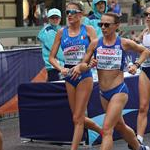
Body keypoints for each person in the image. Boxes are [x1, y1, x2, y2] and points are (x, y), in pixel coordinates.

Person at [72, 12, 150, 150]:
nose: (103, 27)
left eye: (106, 25)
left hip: (119, 91)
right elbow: (83, 65)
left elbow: (145, 51)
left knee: (107, 129)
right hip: (103, 93)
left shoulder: (124, 43)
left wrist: (136, 65)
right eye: (100, 24)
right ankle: (138, 147)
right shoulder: (95, 44)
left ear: (116, 26)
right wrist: (87, 65)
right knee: (120, 126)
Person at [49, 2, 102, 150]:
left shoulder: (89, 30)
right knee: (77, 118)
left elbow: (96, 51)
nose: (70, 15)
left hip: (84, 75)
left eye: (73, 12)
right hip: (69, 76)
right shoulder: (61, 32)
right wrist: (61, 68)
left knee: (77, 119)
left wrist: (92, 60)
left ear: (81, 14)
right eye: (67, 12)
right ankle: (103, 131)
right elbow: (52, 57)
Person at [132, 6, 150, 145]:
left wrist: (136, 63)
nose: (148, 16)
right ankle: (139, 140)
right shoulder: (145, 31)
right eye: (146, 14)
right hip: (145, 70)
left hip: (141, 65)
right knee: (143, 106)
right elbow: (138, 44)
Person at [38, 8, 64, 81]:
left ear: (60, 18)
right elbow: (58, 52)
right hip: (55, 67)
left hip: (58, 67)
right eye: (52, 18)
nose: (55, 19)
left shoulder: (58, 29)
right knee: (58, 90)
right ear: (48, 19)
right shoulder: (48, 31)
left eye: (57, 17)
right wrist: (70, 60)